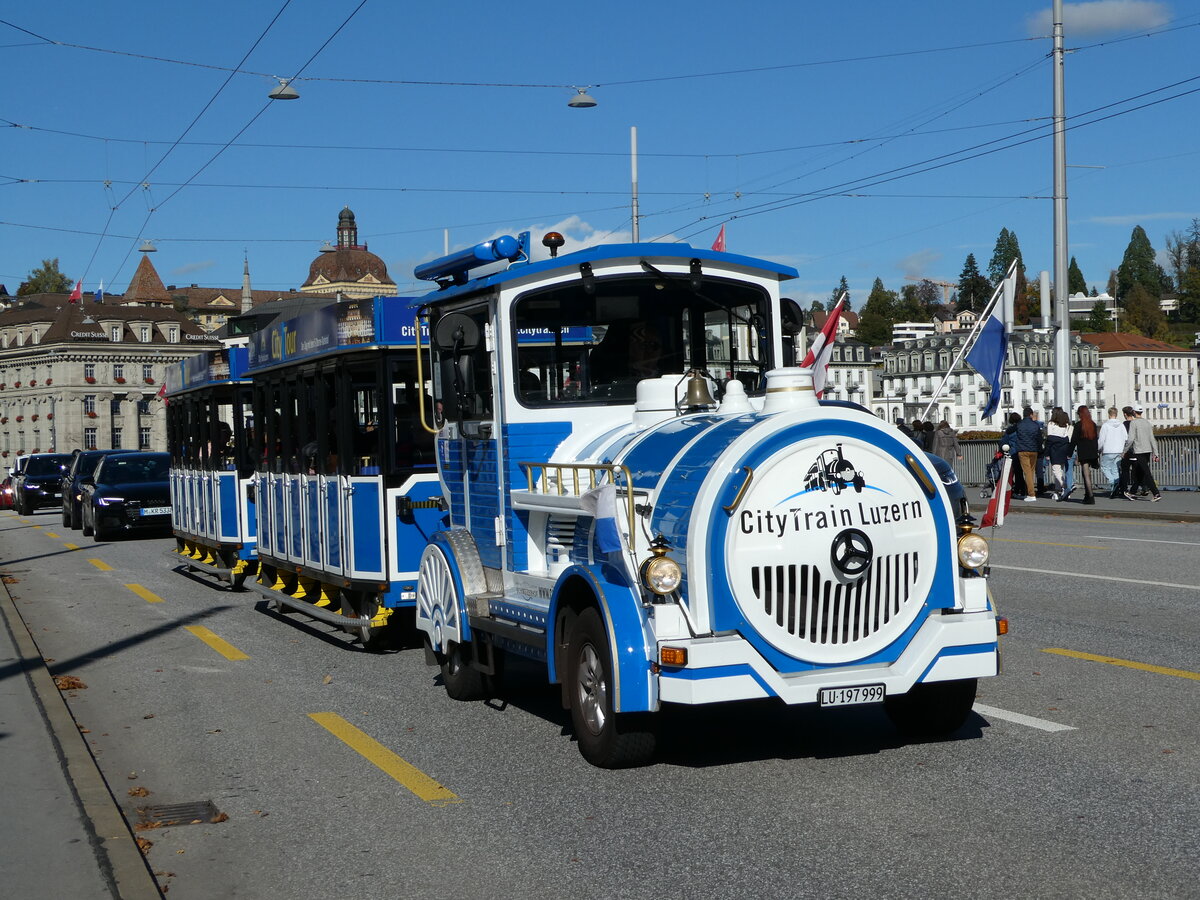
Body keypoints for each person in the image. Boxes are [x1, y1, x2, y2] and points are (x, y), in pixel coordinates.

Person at [1122, 404, 1161, 501]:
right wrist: (1156, 453)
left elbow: (1130, 439)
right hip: (1148, 450)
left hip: (1138, 451)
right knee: (1140, 472)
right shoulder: (1147, 423)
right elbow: (1152, 439)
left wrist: (1124, 451)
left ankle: (1156, 493)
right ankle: (1132, 492)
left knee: (1146, 472)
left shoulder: (1133, 423)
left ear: (1134, 412)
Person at [1011, 406, 1044, 502]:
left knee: (1027, 472)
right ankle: (1030, 491)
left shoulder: (1019, 424)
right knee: (1031, 471)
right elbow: (1040, 439)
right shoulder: (1036, 425)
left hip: (1022, 450)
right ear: (1031, 415)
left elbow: (1009, 431)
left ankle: (1031, 494)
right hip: (1034, 450)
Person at [1068, 405, 1099, 505]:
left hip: (1084, 452)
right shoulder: (1093, 424)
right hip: (1092, 452)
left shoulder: (1078, 425)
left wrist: (1069, 453)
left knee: (1085, 474)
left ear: (1080, 414)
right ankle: (1087, 495)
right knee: (1088, 474)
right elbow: (1095, 440)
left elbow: (1073, 441)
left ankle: (1090, 496)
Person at [1097, 406, 1126, 498]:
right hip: (1119, 450)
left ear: (1109, 415)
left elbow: (1101, 440)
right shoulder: (1121, 425)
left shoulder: (1105, 426)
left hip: (1108, 450)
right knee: (1115, 468)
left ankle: (1113, 482)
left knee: (1104, 467)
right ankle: (1116, 483)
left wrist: (1098, 448)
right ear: (1116, 414)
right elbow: (1126, 438)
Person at [1044, 407, 1072, 501]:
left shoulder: (1051, 424)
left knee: (1056, 471)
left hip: (1054, 450)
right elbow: (1067, 438)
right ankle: (1058, 490)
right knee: (1060, 471)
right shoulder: (1065, 425)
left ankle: (1065, 487)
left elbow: (1049, 438)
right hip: (1064, 449)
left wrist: (1047, 453)